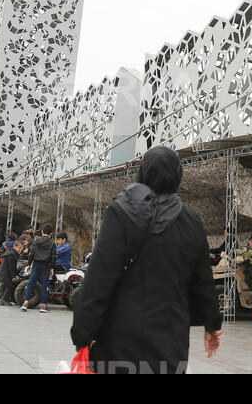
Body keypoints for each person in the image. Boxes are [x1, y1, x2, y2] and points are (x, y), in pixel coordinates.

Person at [71, 146, 222, 374]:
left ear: (142, 173)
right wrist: (212, 326)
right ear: (177, 176)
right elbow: (203, 281)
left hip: (119, 337)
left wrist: (83, 331)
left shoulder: (122, 212)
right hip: (170, 341)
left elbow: (99, 277)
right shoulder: (192, 223)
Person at [21, 224, 56, 313]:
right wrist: (52, 267)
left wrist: (29, 264)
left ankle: (25, 303)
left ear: (42, 232)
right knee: (45, 285)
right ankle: (43, 305)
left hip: (36, 264)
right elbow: (53, 256)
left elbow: (31, 253)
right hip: (46, 266)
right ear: (51, 233)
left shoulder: (36, 241)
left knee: (31, 283)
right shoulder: (52, 243)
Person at [0, 239, 25, 306]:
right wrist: (13, 276)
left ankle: (7, 298)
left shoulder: (9, 252)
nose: (20, 250)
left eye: (21, 248)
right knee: (11, 286)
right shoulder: (11, 255)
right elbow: (11, 267)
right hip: (7, 273)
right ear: (14, 246)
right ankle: (4, 299)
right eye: (19, 248)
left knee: (10, 286)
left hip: (5, 272)